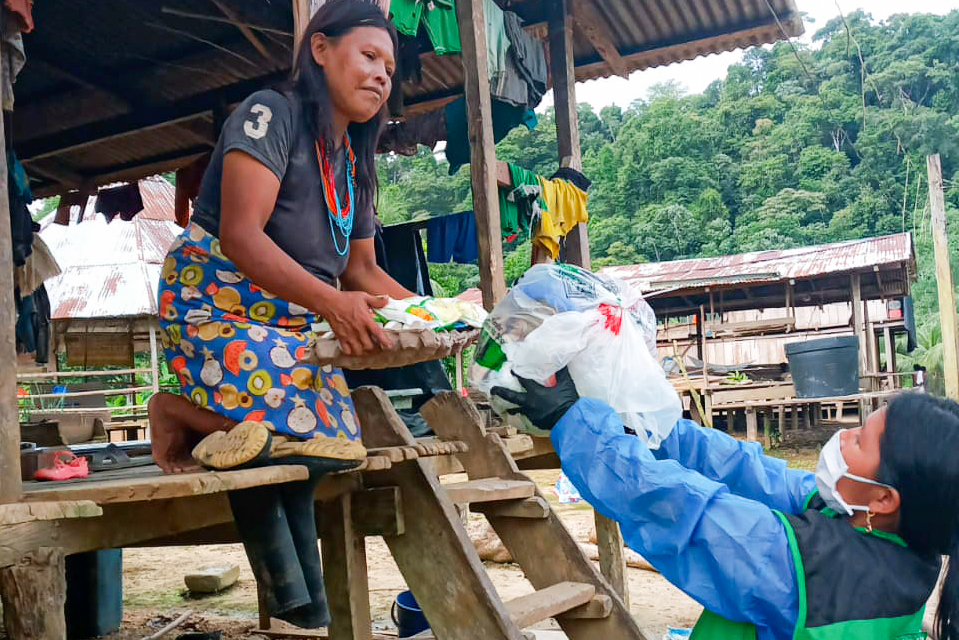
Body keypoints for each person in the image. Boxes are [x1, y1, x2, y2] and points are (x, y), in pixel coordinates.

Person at [150, 0, 416, 474]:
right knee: (297, 435)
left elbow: (361, 270)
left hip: (293, 319)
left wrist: (438, 317)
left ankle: (208, 426)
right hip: (213, 301)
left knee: (336, 447)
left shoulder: (351, 162)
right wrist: (333, 305)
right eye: (369, 56)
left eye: (390, 68)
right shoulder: (270, 113)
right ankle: (176, 412)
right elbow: (239, 236)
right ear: (320, 48)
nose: (382, 76)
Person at [493, 369, 959, 640]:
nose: (841, 437)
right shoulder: (894, 539)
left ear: (883, 497)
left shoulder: (809, 564)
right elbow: (744, 469)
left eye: (859, 438)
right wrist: (652, 422)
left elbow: (673, 505)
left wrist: (572, 420)